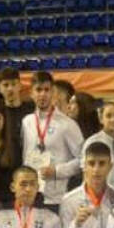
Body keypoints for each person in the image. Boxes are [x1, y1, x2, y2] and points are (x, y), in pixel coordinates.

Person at [22, 71, 84, 212]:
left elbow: (83, 159)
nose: (43, 94)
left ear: (53, 93)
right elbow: (25, 156)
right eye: (38, 90)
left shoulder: (68, 124)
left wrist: (57, 171)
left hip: (56, 197)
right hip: (30, 194)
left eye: (47, 90)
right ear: (31, 93)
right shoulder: (27, 122)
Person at [85, 101, 114, 190]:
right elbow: (86, 172)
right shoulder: (93, 141)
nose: (113, 119)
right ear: (101, 119)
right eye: (108, 116)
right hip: (100, 191)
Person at [0, 67, 35, 162]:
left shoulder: (32, 110)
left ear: (20, 86)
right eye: (6, 85)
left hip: (28, 162)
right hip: (3, 164)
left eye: (14, 84)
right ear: (0, 88)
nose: (10, 88)